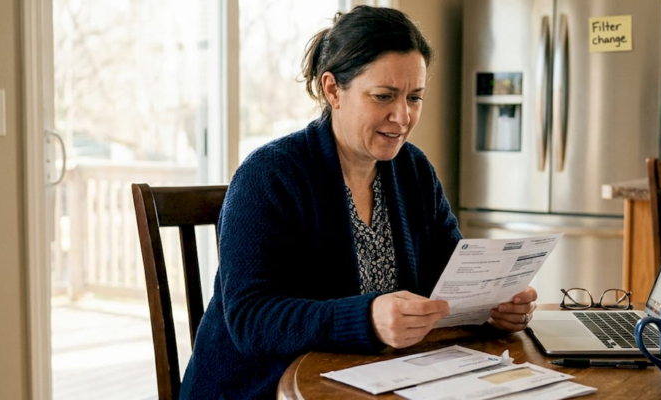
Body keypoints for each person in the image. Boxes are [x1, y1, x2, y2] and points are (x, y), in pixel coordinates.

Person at [179, 6, 537, 399]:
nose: (402, 116)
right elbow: (250, 319)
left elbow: (450, 275)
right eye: (383, 96)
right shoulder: (270, 174)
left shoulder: (413, 170)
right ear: (333, 89)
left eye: (414, 98)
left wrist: (492, 306)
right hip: (262, 389)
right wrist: (365, 318)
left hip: (374, 380)